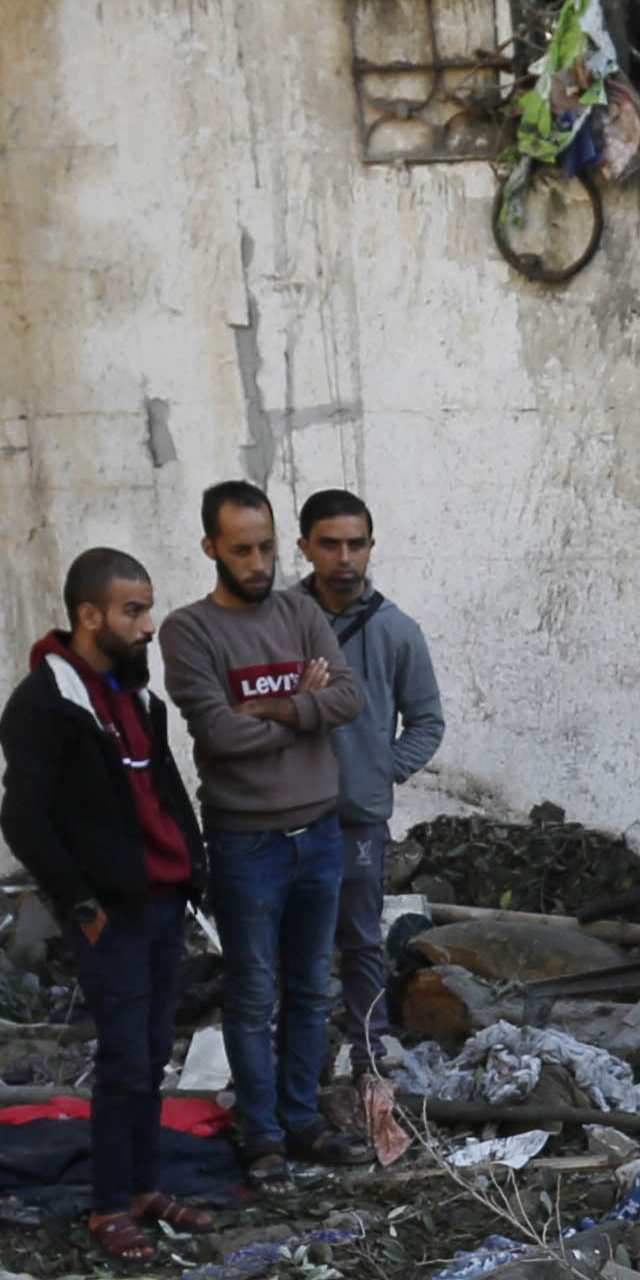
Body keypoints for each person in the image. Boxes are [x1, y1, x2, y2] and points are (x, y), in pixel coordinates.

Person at [0, 545, 207, 1261]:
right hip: (111, 914)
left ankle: (144, 1188)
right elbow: (23, 820)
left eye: (148, 608)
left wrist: (194, 867)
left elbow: (164, 791)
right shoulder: (44, 704)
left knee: (152, 1054)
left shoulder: (137, 696)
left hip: (162, 900)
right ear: (89, 616)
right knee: (123, 1059)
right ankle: (110, 1206)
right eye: (132, 611)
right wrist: (79, 903)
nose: (148, 625)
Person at [162, 478, 365, 1181]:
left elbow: (349, 697)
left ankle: (301, 1121)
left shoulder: (302, 612)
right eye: (241, 550)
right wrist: (302, 706)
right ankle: (263, 1134)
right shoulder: (189, 630)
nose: (258, 563)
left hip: (319, 832)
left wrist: (271, 709)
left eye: (267, 548)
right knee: (251, 995)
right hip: (246, 842)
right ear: (211, 548)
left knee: (310, 988)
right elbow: (217, 734)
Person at [298, 488, 445, 1070]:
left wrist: (383, 771)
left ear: (371, 546)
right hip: (284, 816)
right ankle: (300, 1057)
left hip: (356, 817)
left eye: (355, 544)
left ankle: (368, 1052)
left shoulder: (396, 630)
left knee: (360, 939)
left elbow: (427, 722)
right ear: (305, 546)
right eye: (330, 544)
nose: (344, 557)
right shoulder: (278, 622)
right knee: (292, 943)